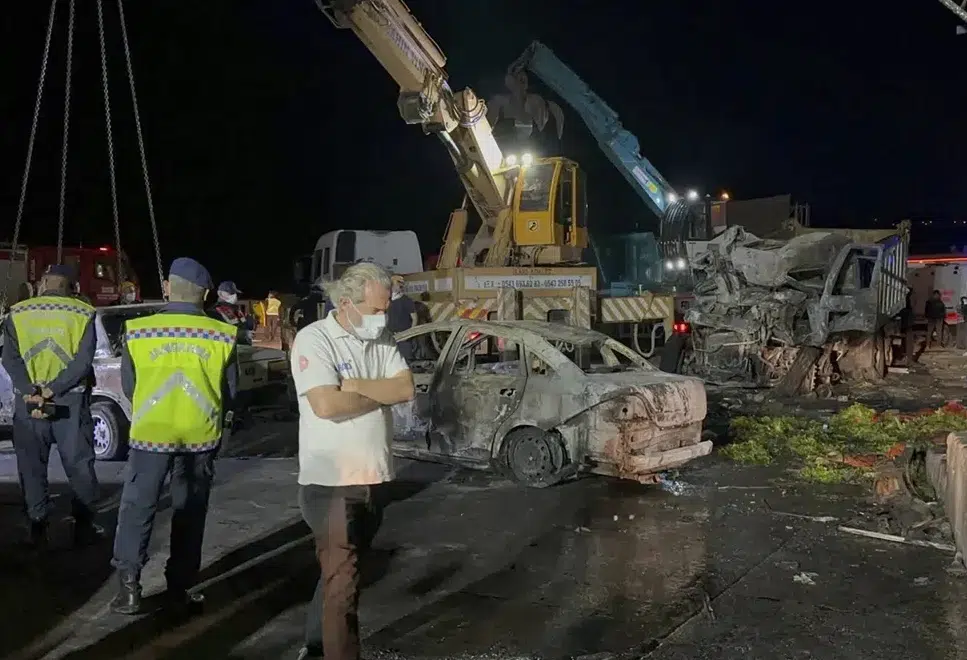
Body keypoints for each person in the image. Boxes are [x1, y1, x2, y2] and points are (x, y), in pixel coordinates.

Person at [290, 262, 414, 660]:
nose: (383, 318)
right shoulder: (315, 340)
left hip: (373, 480)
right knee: (343, 582)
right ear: (347, 303)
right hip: (331, 484)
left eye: (386, 309)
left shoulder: (382, 341)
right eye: (377, 310)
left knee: (341, 577)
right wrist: (381, 392)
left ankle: (314, 646)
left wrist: (357, 387)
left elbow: (406, 388)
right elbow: (326, 404)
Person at [109, 257, 238, 616]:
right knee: (189, 511)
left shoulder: (138, 330)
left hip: (151, 434)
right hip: (200, 437)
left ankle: (130, 588)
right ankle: (179, 587)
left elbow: (130, 387)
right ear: (208, 293)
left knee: (138, 507)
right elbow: (230, 391)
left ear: (167, 287)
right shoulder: (222, 333)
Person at [1, 264, 102, 548]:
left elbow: (9, 359)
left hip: (28, 403)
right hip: (69, 402)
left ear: (42, 282)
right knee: (79, 464)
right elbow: (83, 362)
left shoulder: (17, 314)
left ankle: (37, 527)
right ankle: (84, 527)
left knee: (32, 467)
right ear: (72, 286)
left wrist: (30, 390)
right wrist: (52, 390)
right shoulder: (83, 314)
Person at [386, 274, 418, 361]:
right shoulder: (386, 300)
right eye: (398, 282)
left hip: (404, 338)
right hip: (390, 337)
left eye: (402, 283)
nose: (401, 285)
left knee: (406, 361)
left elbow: (414, 318)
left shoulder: (406, 300)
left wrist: (409, 334)